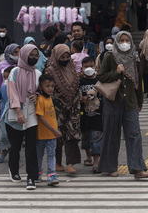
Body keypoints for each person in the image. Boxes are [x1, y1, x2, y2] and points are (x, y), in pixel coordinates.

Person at [97, 31, 148, 179]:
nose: (125, 43)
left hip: (131, 102)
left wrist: (139, 102)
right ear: (117, 42)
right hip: (113, 102)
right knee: (111, 135)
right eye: (122, 40)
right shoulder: (110, 56)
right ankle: (109, 167)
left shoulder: (135, 58)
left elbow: (138, 82)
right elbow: (101, 76)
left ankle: (138, 168)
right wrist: (116, 72)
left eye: (127, 40)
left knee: (134, 135)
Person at [3, 44, 41, 190]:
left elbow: (41, 89)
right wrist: (18, 112)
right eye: (31, 55)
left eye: (36, 55)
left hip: (31, 112)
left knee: (31, 146)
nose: (34, 58)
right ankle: (13, 169)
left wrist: (36, 95)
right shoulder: (15, 71)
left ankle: (31, 177)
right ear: (24, 55)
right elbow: (12, 93)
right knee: (16, 145)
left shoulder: (37, 73)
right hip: (15, 112)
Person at [44, 44, 82, 175]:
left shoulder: (72, 67)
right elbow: (47, 87)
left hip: (73, 107)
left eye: (67, 56)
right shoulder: (50, 71)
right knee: (57, 134)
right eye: (62, 57)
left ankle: (70, 164)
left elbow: (76, 86)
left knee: (72, 134)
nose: (65, 59)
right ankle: (57, 162)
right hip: (56, 108)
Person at [35, 73, 62, 186]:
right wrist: (54, 130)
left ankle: (51, 174)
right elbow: (40, 117)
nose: (50, 88)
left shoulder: (49, 98)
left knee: (51, 154)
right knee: (39, 155)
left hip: (51, 135)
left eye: (52, 86)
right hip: (41, 135)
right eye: (47, 86)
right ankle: (38, 172)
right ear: (41, 87)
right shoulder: (40, 100)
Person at [79, 56, 103, 172]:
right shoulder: (80, 81)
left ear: (95, 67)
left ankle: (96, 161)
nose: (89, 68)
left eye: (91, 66)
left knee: (96, 137)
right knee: (85, 137)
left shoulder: (99, 80)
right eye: (86, 66)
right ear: (81, 68)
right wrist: (81, 98)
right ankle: (88, 156)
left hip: (98, 115)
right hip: (84, 115)